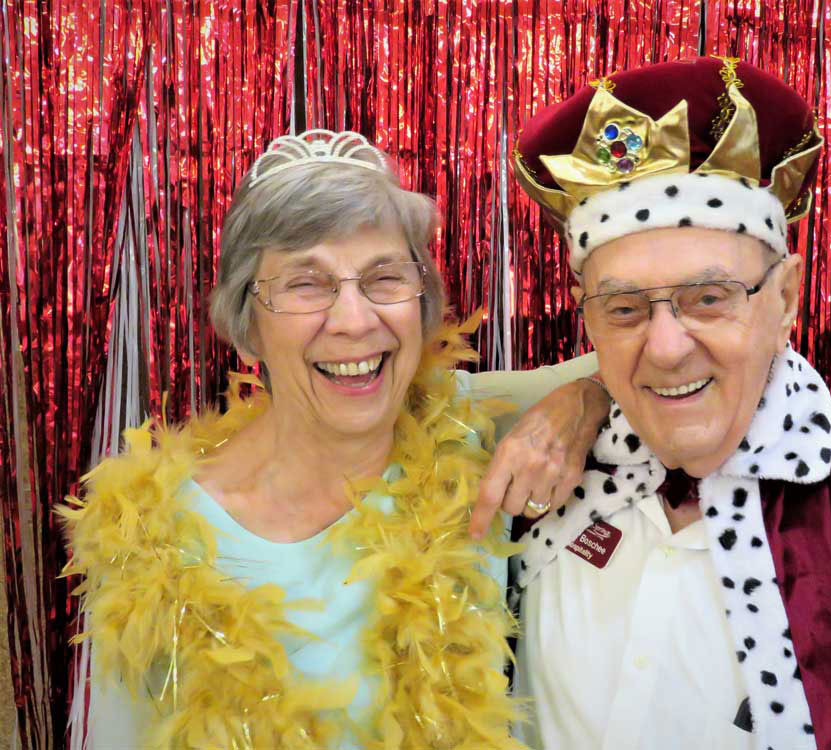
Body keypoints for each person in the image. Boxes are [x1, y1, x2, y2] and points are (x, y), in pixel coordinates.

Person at [506, 57, 831, 749]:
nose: (668, 346)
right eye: (624, 308)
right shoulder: (531, 476)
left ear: (786, 297)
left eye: (709, 298)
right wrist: (581, 395)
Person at [59, 130, 607, 749]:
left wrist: (582, 401)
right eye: (306, 284)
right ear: (247, 328)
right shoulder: (152, 536)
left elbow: (648, 364)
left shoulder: (469, 426)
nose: (353, 320)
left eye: (384, 278)